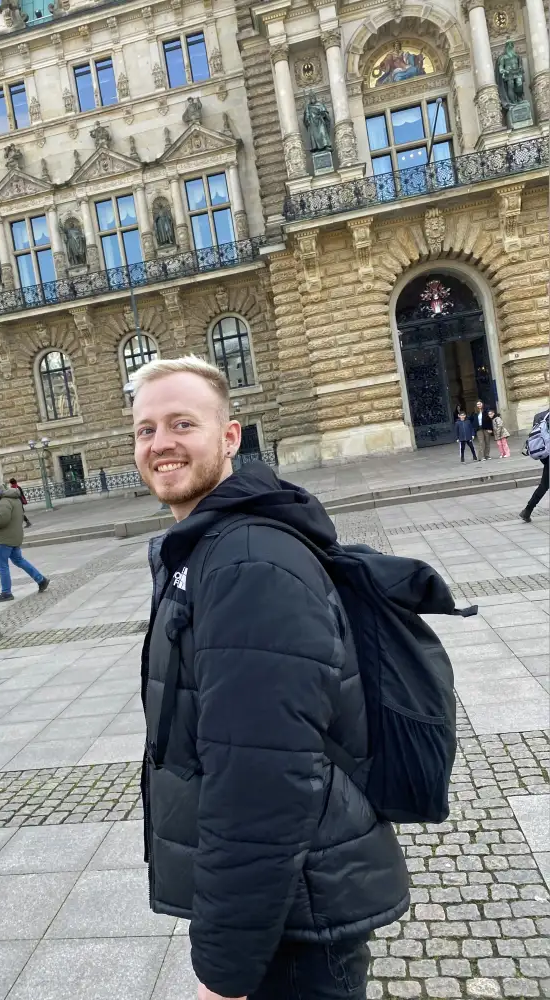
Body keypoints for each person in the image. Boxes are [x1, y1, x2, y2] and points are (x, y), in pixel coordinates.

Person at [132, 355, 409, 1000]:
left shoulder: (247, 561)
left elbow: (262, 777)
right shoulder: (212, 545)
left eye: (181, 423)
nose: (161, 444)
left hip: (293, 928)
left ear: (230, 436)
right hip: (289, 904)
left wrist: (227, 967)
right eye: (145, 430)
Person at [0, 480, 48, 602]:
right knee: (19, 560)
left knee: (2, 566)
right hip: (14, 537)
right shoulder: (14, 499)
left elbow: (1, 521)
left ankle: (6, 593)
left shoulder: (3, 503)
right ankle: (41, 580)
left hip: (4, 539)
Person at [520, 407, 550, 523]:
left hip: (544, 454)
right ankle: (527, 510)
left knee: (545, 484)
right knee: (544, 485)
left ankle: (527, 510)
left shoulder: (539, 415)